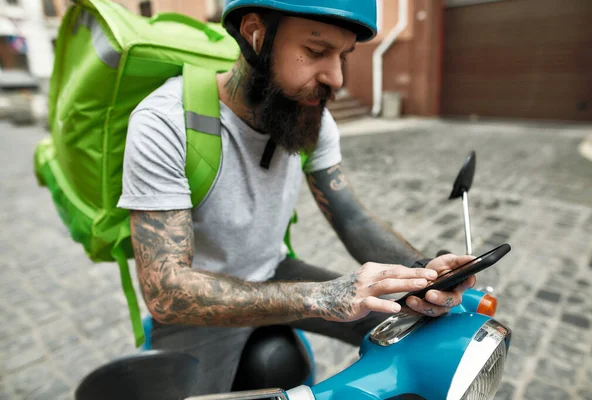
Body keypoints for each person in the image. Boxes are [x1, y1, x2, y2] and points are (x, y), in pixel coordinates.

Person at [117, 0, 476, 394]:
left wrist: (422, 272)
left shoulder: (311, 117)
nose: (336, 78)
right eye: (317, 51)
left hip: (276, 271)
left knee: (424, 327)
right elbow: (165, 291)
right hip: (198, 306)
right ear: (255, 33)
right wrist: (320, 297)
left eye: (344, 55)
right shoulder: (164, 122)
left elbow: (350, 216)